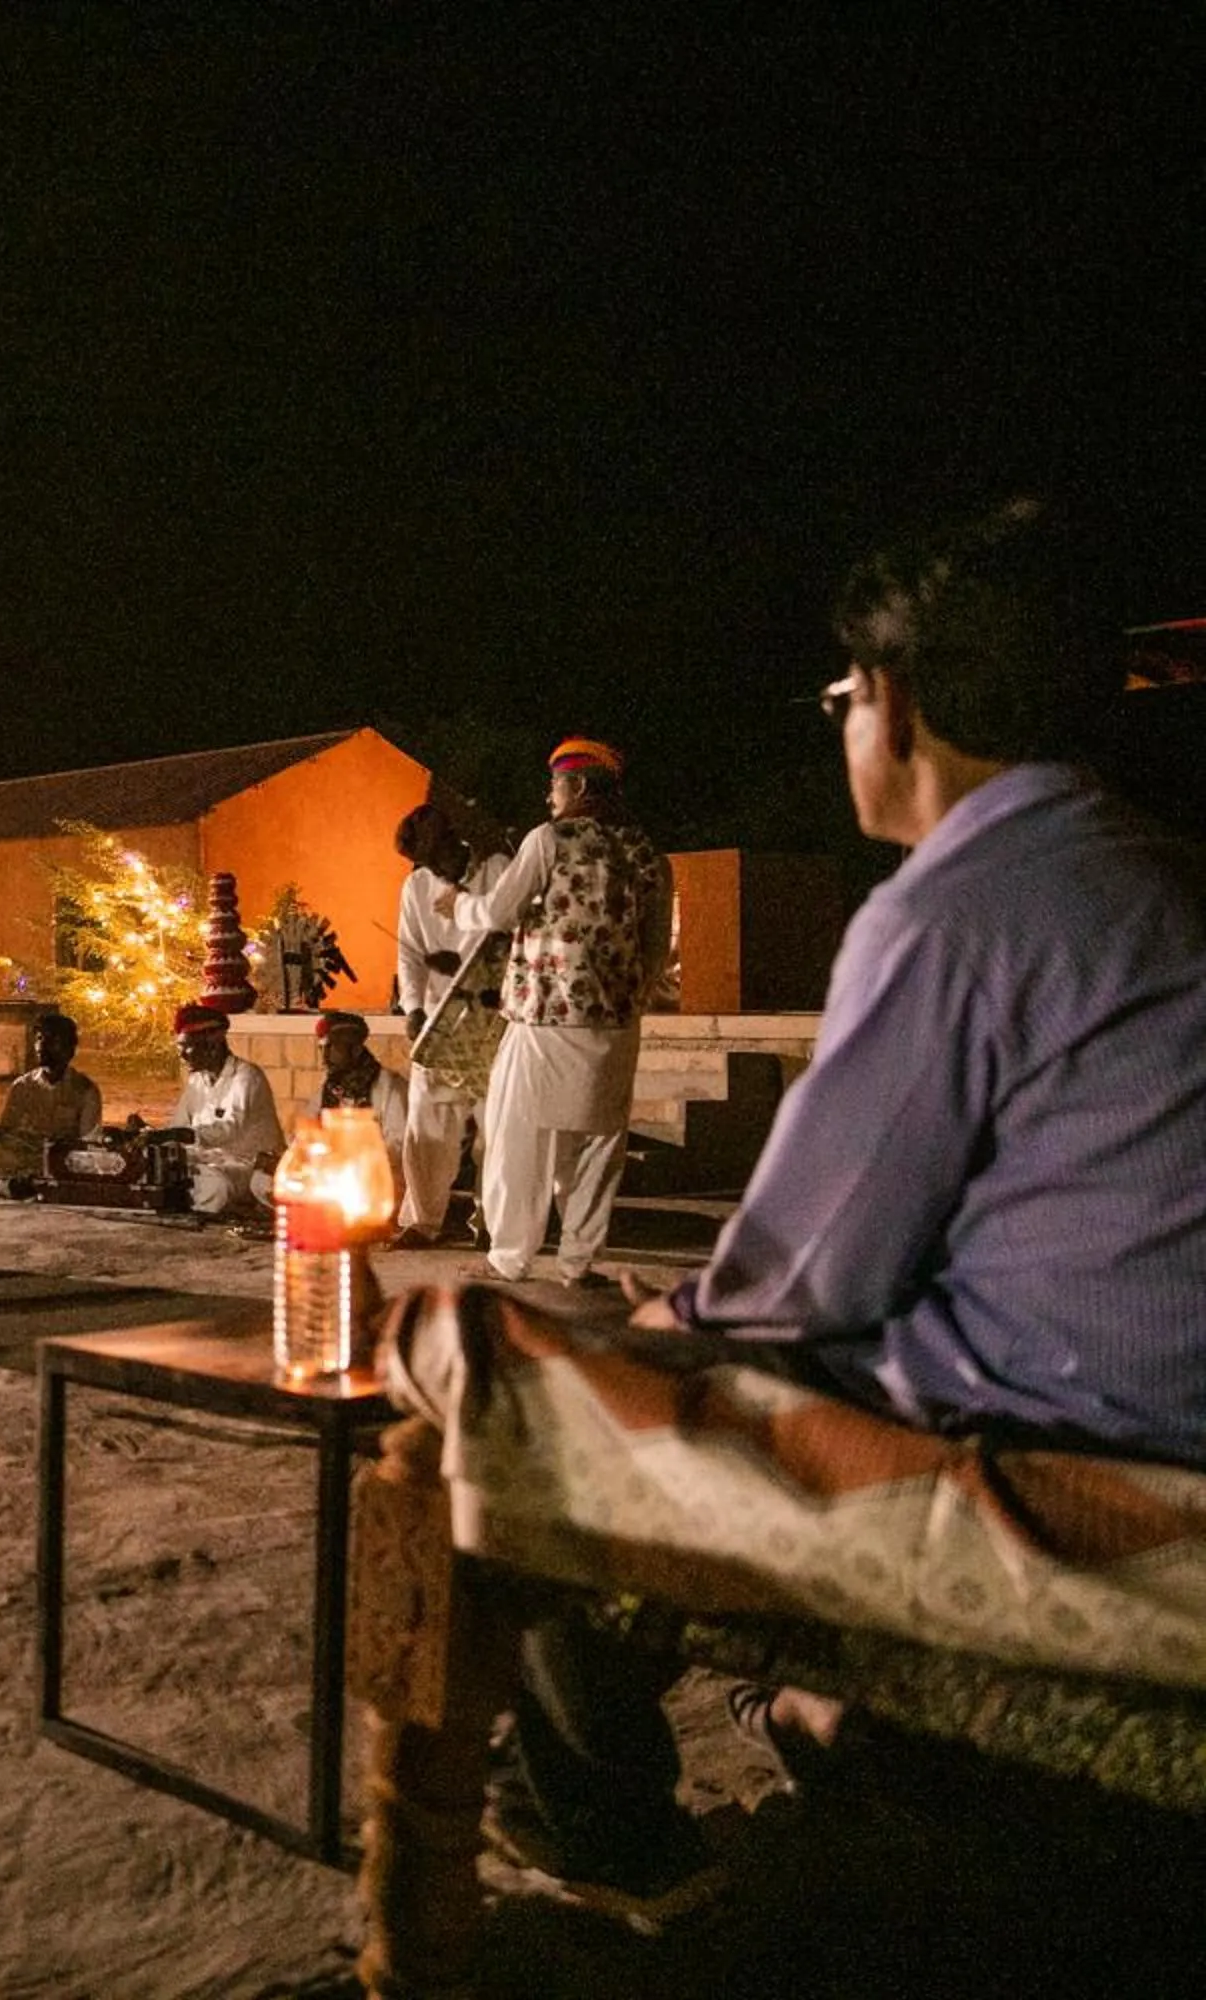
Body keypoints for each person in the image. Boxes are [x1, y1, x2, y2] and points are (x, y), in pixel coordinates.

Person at [459, 497, 1206, 1919]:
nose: (840, 722)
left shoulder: (957, 905)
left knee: (531, 1391)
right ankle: (823, 1729)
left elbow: (805, 1275)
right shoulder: (1154, 873)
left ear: (898, 703)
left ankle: (588, 1822)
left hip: (1073, 1425)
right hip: (1136, 1376)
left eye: (841, 693)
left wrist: (661, 1325)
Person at [445, 738, 673, 1288]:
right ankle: (578, 1262)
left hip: (544, 1017)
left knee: (518, 1138)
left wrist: (457, 904)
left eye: (554, 785)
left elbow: (499, 911)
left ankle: (509, 1257)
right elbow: (655, 946)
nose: (549, 796)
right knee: (598, 1145)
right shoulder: (647, 854)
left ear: (578, 787)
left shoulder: (548, 841)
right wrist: (630, 995)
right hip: (613, 1024)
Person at [389, 804, 507, 1248]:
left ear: (455, 843)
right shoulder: (416, 886)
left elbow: (513, 930)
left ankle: (494, 1224)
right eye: (424, 861)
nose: (432, 867)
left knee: (496, 1127)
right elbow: (409, 954)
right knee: (428, 1124)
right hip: (441, 1020)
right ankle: (422, 1222)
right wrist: (414, 1009)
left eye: (437, 856)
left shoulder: (497, 869)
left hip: (495, 1018)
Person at [151, 1002, 282, 1221]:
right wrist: (149, 1135)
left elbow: (229, 1128)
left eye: (188, 1046)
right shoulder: (197, 1080)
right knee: (159, 1168)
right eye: (179, 1047)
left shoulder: (247, 1076)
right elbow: (178, 1127)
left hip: (249, 1164)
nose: (182, 1055)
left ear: (212, 1045)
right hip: (210, 1160)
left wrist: (183, 1135)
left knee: (214, 1184)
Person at [0, 1011, 102, 1189]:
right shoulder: (22, 1086)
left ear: (70, 1049)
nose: (41, 1045)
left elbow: (88, 1144)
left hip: (63, 1161)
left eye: (52, 1039)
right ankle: (16, 1184)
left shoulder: (85, 1090)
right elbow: (8, 1133)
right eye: (39, 1038)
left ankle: (2, 1186)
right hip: (25, 1157)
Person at [313, 1008, 407, 1167]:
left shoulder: (390, 1088)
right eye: (322, 1049)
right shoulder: (329, 1089)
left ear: (355, 1050)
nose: (325, 1057)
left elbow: (399, 1147)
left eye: (332, 1048)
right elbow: (309, 1131)